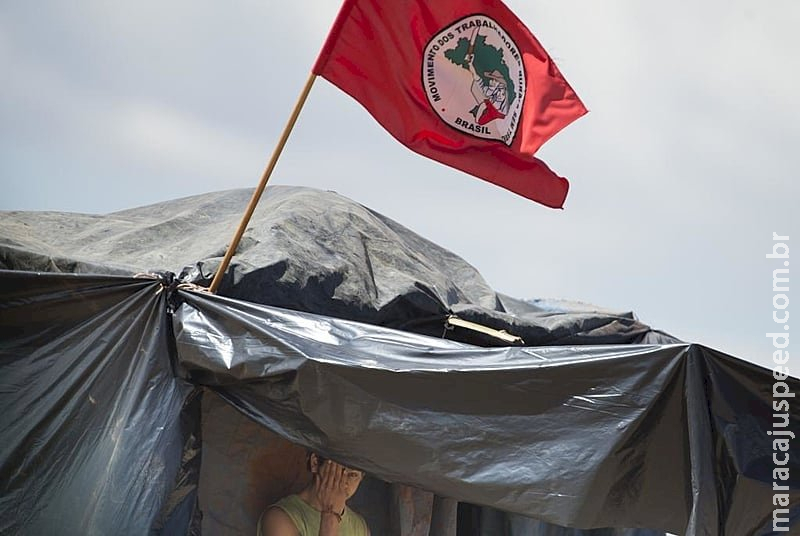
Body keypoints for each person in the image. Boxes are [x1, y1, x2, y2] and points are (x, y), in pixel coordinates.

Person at [258, 453, 370, 536]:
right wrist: (330, 517)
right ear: (315, 463)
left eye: (353, 475)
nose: (343, 482)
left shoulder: (360, 527)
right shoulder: (279, 518)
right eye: (336, 471)